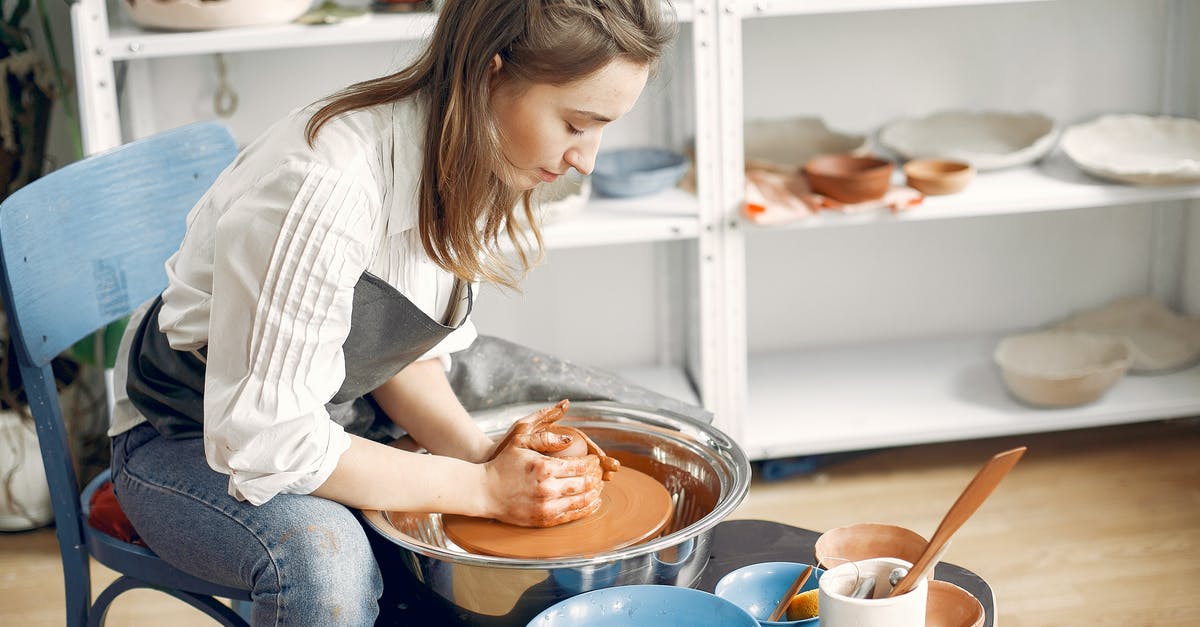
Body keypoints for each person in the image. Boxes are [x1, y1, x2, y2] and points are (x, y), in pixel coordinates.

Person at [105, 0, 692, 624]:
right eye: (576, 124)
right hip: (191, 433)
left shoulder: (471, 151)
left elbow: (392, 352)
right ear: (490, 75)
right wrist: (488, 490)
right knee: (324, 561)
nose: (587, 159)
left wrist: (477, 454)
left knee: (657, 427)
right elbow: (268, 440)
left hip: (341, 392)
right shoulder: (322, 188)